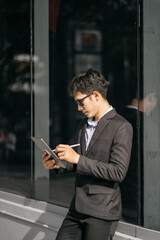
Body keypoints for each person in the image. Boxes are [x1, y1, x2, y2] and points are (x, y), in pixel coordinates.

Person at [42, 69, 133, 240]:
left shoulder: (122, 126)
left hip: (102, 211)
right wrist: (57, 165)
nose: (78, 108)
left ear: (96, 95)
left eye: (81, 102)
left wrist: (76, 158)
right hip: (77, 207)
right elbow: (74, 160)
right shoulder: (84, 124)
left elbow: (118, 172)